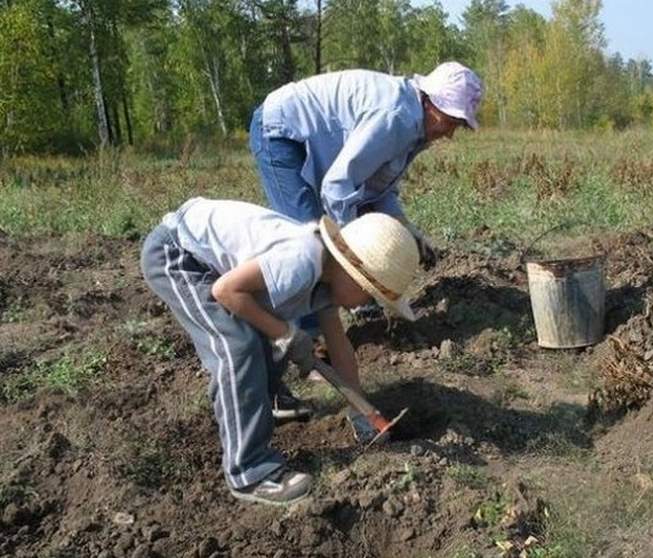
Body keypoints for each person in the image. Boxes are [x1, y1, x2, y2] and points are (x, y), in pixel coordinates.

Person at [140, 197, 420, 505]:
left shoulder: (328, 281)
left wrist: (360, 408)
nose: (364, 304)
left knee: (267, 329)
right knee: (238, 346)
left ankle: (270, 399)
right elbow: (225, 291)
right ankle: (250, 472)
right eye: (368, 294)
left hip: (218, 270)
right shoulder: (300, 261)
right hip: (179, 257)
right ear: (351, 271)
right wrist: (285, 333)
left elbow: (340, 347)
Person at [248, 61, 483, 334]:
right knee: (308, 241)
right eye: (450, 121)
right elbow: (338, 188)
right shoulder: (395, 118)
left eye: (458, 125)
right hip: (280, 131)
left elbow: (375, 189)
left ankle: (344, 313)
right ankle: (309, 343)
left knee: (328, 248)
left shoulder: (417, 125)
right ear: (431, 103)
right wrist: (357, 257)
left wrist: (407, 229)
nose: (451, 133)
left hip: (302, 137)